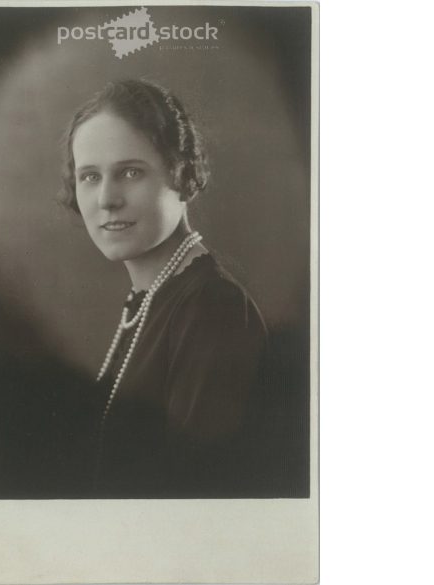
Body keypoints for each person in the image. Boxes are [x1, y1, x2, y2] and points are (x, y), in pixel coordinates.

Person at [61, 79, 268, 497]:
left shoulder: (213, 311)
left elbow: (195, 499)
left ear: (181, 174)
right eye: (89, 176)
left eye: (131, 172)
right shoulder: (146, 298)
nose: (106, 199)